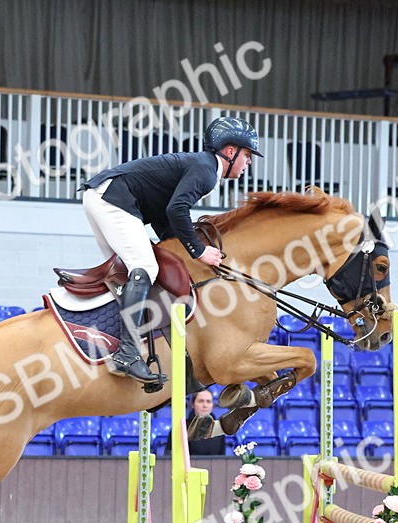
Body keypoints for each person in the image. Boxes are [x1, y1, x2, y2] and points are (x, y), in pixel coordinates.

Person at [80, 116, 263, 385]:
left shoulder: (200, 165)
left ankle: (118, 341)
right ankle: (127, 355)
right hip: (113, 199)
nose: (249, 162)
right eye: (247, 155)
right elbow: (176, 209)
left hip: (103, 196)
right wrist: (199, 252)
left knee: (125, 272)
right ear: (230, 151)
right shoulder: (207, 171)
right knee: (146, 268)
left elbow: (163, 214)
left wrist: (178, 245)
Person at [185, 389, 226, 456]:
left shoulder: (219, 429)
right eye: (201, 401)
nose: (205, 405)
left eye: (208, 401)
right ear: (193, 404)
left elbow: (222, 459)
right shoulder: (183, 428)